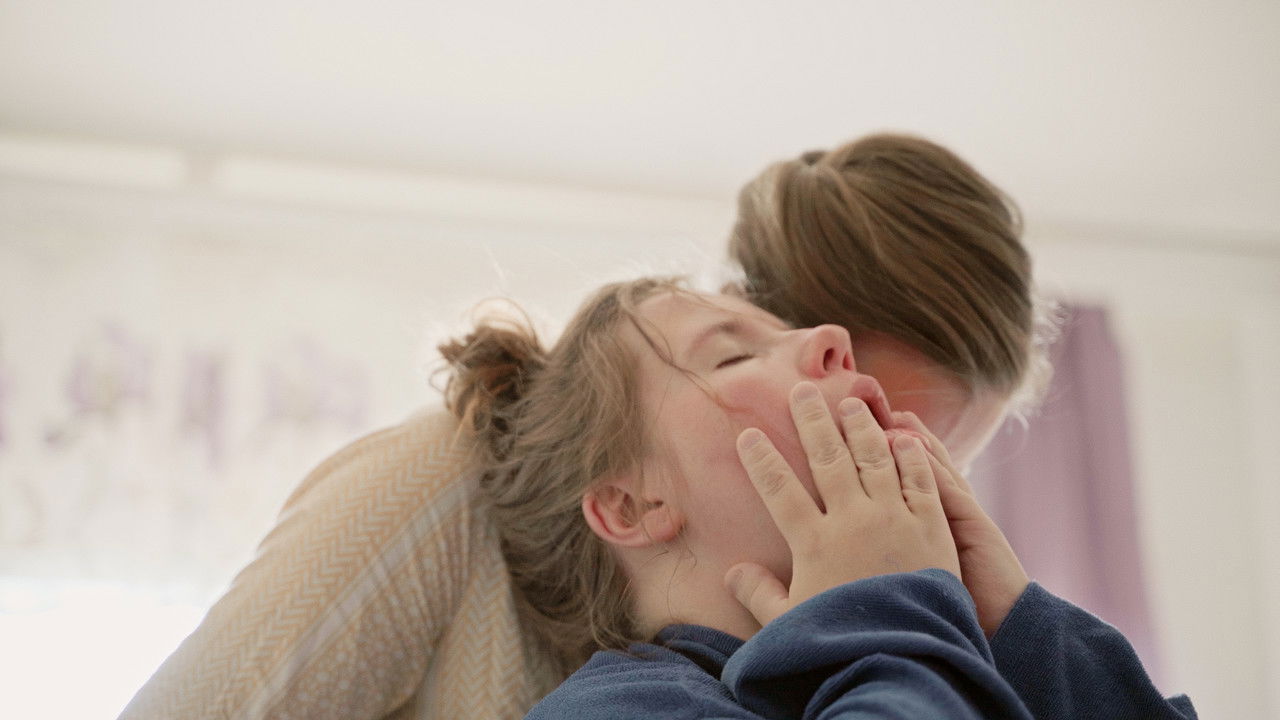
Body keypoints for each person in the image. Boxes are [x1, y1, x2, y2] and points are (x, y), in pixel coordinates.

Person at [113, 134, 1144, 719]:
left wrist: (1018, 629)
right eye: (863, 433)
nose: (894, 486)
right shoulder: (444, 488)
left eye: (928, 463)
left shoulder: (883, 651)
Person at [442, 277, 1193, 718]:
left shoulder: (979, 651)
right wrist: (887, 609)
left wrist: (1027, 639)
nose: (833, 337)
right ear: (630, 507)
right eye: (734, 351)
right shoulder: (614, 711)